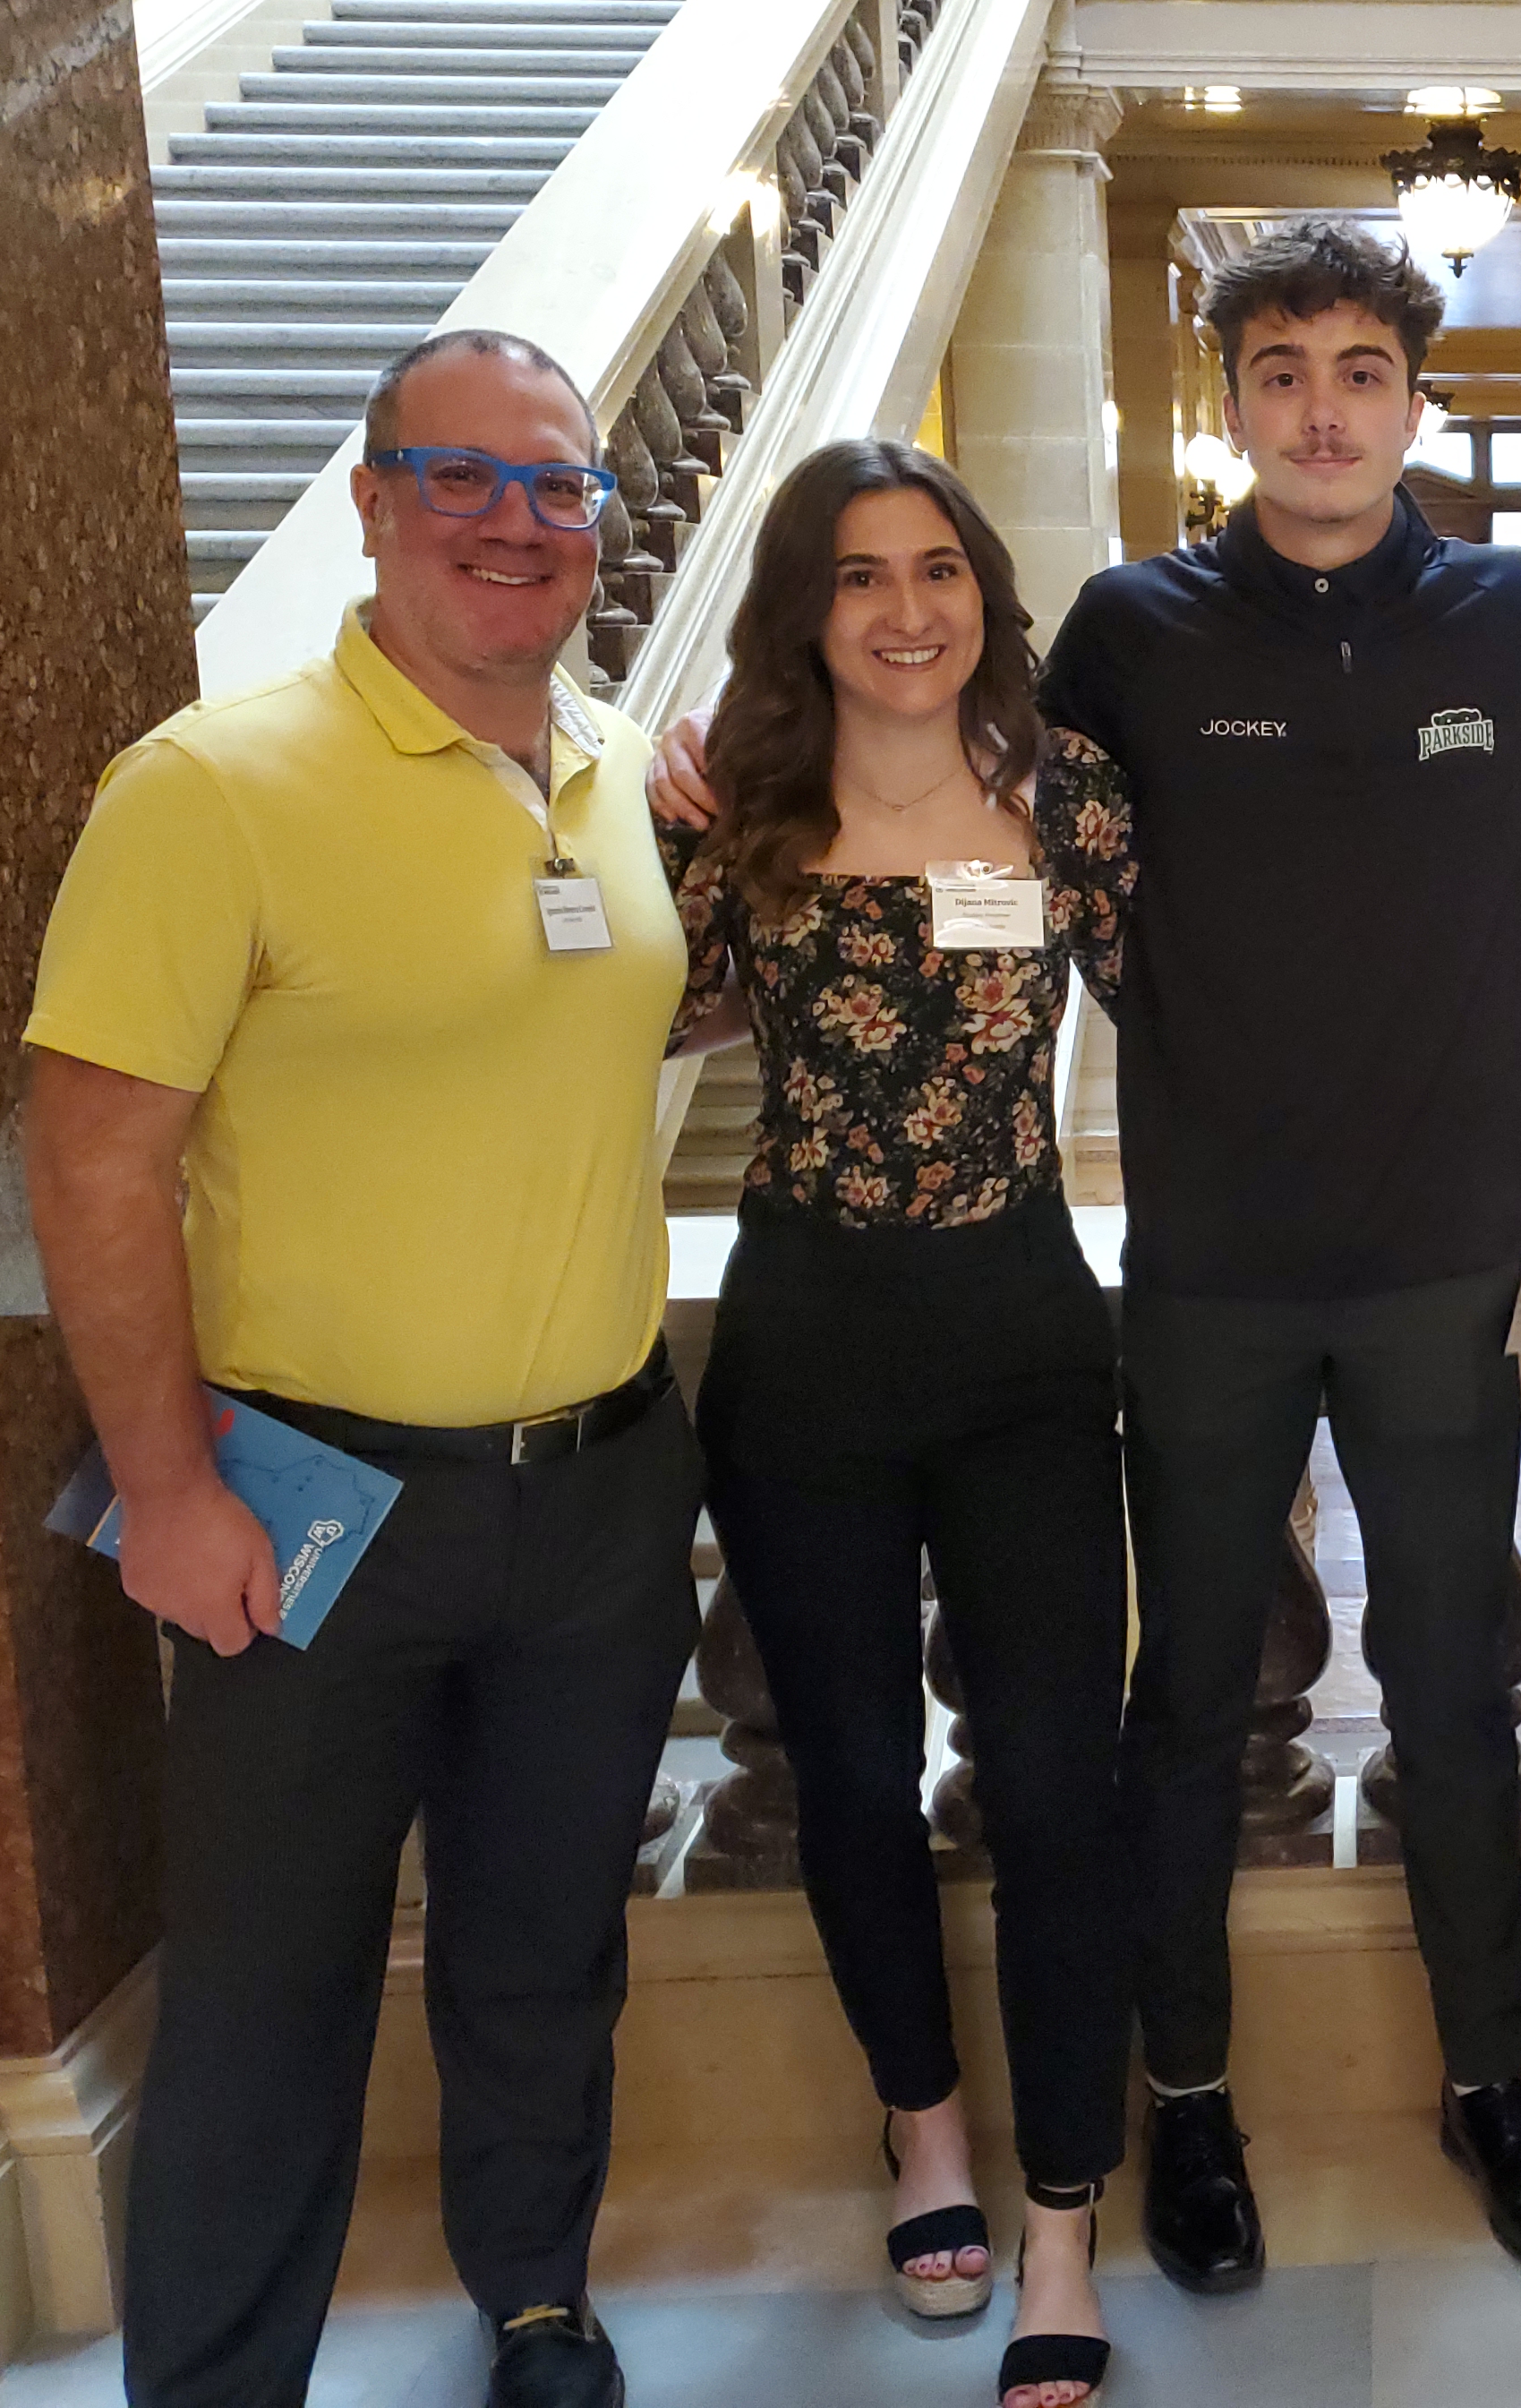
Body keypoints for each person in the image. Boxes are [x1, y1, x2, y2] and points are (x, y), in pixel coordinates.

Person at [650, 218, 1521, 2296]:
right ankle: (1185, 2110)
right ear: (1231, 406)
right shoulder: (1124, 634)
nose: (1320, 408)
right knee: (1189, 1699)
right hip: (1203, 1271)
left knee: (1459, 1696)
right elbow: (930, 754)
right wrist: (716, 773)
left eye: (1360, 369)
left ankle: (1494, 2081)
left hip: (1447, 1267)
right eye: (1279, 369)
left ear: (1413, 395)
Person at [23, 330, 700, 2408]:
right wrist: (166, 1489)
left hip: (594, 1485)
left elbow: (571, 1040)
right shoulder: (211, 788)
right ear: (374, 498)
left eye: (559, 486)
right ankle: (221, 2384)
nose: (518, 523)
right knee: (264, 1990)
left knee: (541, 1953)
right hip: (313, 1500)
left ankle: (534, 2298)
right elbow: (90, 1154)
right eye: (465, 478)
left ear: (600, 519)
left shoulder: (603, 769)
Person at [662, 440, 1132, 2408]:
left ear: (984, 596)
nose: (908, 610)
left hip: (1023, 1332)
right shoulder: (733, 815)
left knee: (1050, 1778)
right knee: (847, 1773)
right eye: (861, 577)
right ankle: (923, 2133)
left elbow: (1231, 984)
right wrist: (632, 763)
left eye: (938, 569)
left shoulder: (1071, 802)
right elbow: (604, 997)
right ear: (807, 611)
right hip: (809, 1350)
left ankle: (1061, 2221)